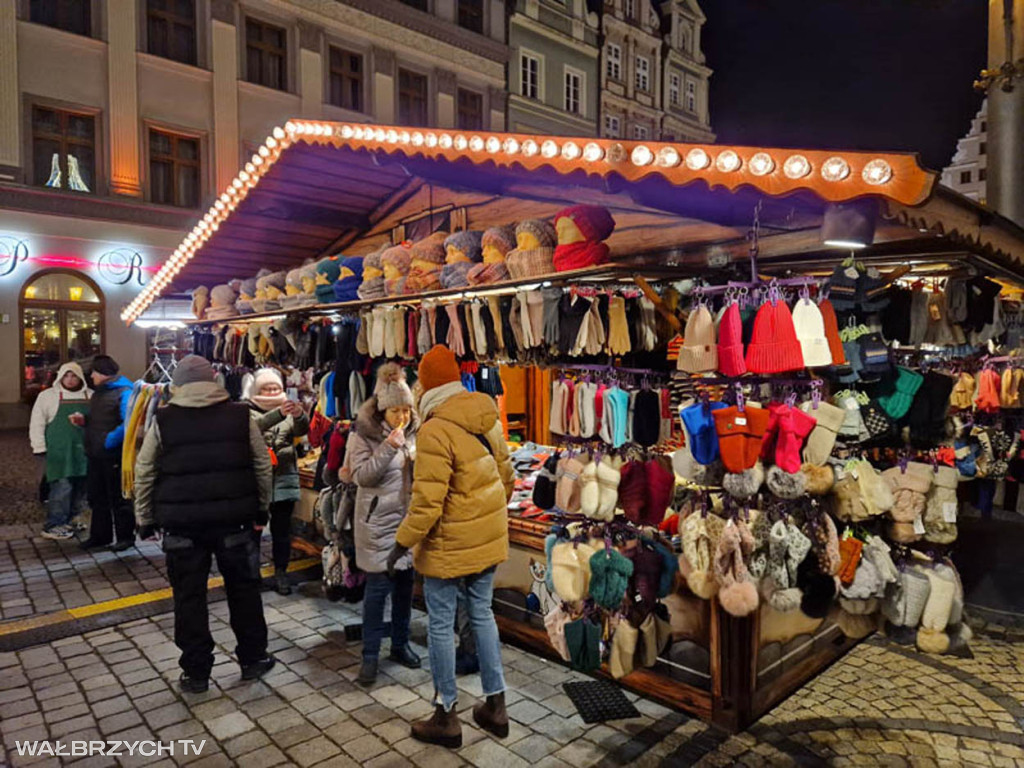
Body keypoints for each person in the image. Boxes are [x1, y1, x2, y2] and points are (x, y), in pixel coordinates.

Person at [389, 345, 515, 748]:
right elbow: (506, 476)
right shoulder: (485, 416)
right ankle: (496, 706)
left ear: (425, 385)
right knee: (482, 613)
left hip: (447, 545)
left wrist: (401, 544)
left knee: (441, 623)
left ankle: (446, 715)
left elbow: (427, 502)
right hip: (485, 538)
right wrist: (486, 516)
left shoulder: (434, 429)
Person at [134, 355, 276, 693]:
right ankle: (253, 658)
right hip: (235, 523)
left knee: (189, 597)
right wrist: (261, 509)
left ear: (178, 385)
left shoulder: (164, 420)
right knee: (243, 591)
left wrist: (144, 518)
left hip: (183, 527)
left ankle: (196, 672)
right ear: (213, 382)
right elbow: (262, 466)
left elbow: (145, 471)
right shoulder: (241, 416)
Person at [346, 362, 422, 686]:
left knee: (405, 588)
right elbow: (361, 475)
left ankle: (400, 644)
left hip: (406, 522)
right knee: (377, 592)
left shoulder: (416, 432)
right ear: (382, 411)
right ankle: (369, 656)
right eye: (395, 412)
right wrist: (389, 446)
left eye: (406, 410)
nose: (402, 417)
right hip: (376, 523)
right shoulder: (362, 434)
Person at [247, 368, 309, 595]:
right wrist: (279, 415)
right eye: (268, 388)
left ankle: (281, 573)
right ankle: (252, 575)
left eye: (276, 388)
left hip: (284, 477)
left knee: (282, 531)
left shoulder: (289, 409)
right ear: (258, 389)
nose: (273, 392)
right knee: (253, 531)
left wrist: (301, 415)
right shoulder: (248, 410)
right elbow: (252, 429)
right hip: (256, 481)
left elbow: (302, 430)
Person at [75, 355, 135, 551]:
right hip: (95, 453)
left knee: (118, 497)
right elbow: (98, 418)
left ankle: (126, 537)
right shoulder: (98, 393)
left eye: (93, 371)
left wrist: (109, 441)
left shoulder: (124, 392)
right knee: (97, 496)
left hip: (112, 454)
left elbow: (129, 423)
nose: (91, 375)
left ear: (103, 373)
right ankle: (100, 536)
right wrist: (84, 420)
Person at [30, 363, 91, 540]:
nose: (70, 380)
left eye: (74, 376)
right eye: (66, 376)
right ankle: (54, 523)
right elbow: (37, 422)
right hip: (59, 451)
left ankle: (73, 518)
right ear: (60, 377)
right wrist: (39, 446)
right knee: (61, 487)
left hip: (83, 451)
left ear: (80, 377)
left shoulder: (90, 396)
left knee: (81, 487)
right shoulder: (47, 396)